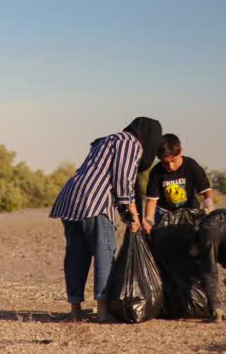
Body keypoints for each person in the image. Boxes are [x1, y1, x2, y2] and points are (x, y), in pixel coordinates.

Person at [50, 117, 162, 322]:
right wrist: (134, 216)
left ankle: (75, 309)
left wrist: (124, 212)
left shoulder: (107, 140)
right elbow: (122, 181)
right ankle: (102, 312)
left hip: (70, 198)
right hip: (94, 201)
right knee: (104, 255)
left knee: (76, 255)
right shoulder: (130, 143)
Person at [142, 133, 214, 233]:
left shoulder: (191, 166)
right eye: (165, 163)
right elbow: (152, 200)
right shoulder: (156, 172)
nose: (170, 167)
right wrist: (148, 220)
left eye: (174, 161)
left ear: (180, 152)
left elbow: (206, 190)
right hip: (164, 215)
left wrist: (208, 203)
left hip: (190, 212)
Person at [197, 209, 226, 322]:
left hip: (210, 225)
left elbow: (194, 251)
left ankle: (216, 311)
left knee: (209, 267)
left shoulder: (201, 222)